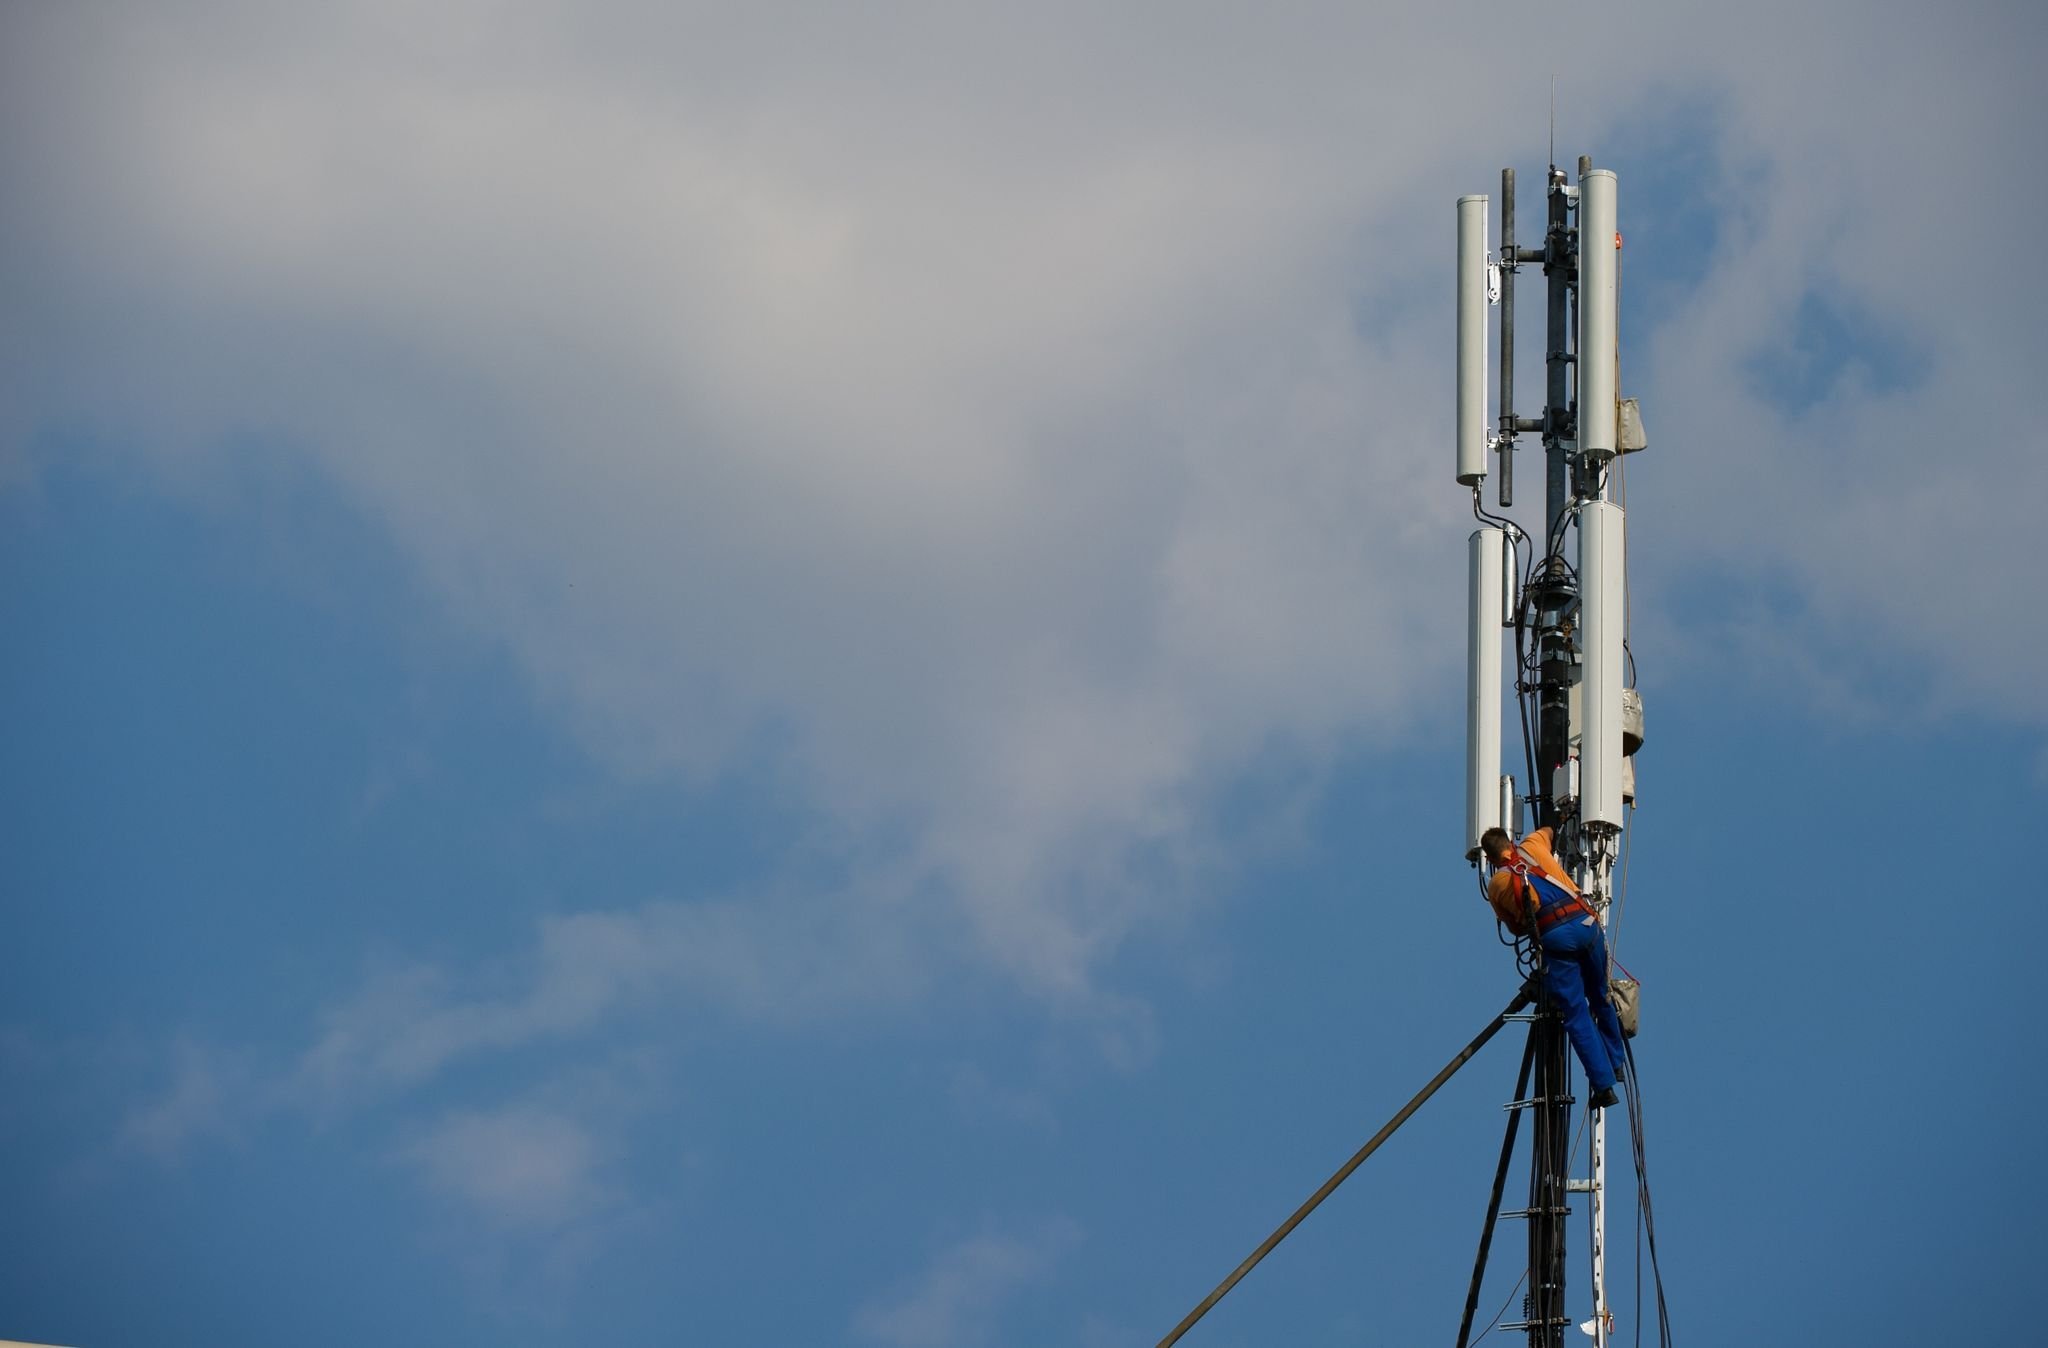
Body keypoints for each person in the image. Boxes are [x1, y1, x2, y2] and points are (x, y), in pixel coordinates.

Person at [1479, 824, 1628, 1110]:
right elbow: (1549, 829)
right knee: (1601, 997)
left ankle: (1604, 1086)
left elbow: (1515, 928)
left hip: (1557, 939)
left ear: (1490, 858)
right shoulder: (1533, 846)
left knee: (1576, 1014)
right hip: (1587, 925)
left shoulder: (1497, 884)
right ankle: (1616, 1062)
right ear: (1510, 841)